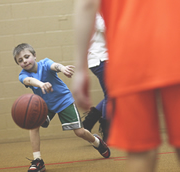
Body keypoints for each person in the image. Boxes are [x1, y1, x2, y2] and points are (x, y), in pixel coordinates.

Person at [72, 0, 180, 172]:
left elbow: (87, 4)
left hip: (128, 56)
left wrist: (79, 68)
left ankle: (98, 122)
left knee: (141, 152)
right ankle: (101, 125)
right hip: (174, 46)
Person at [13, 43, 110, 172]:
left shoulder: (45, 63)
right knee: (33, 124)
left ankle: (96, 142)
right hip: (45, 106)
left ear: (34, 55)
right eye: (20, 60)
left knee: (80, 132)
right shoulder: (22, 75)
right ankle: (38, 161)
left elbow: (54, 66)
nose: (25, 61)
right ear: (18, 64)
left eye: (27, 56)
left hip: (64, 101)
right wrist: (41, 84)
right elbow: (29, 81)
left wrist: (63, 68)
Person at [82, 13, 108, 141]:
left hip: (104, 59)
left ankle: (89, 121)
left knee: (112, 93)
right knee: (111, 95)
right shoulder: (97, 12)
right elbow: (107, 28)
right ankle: (108, 131)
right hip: (100, 59)